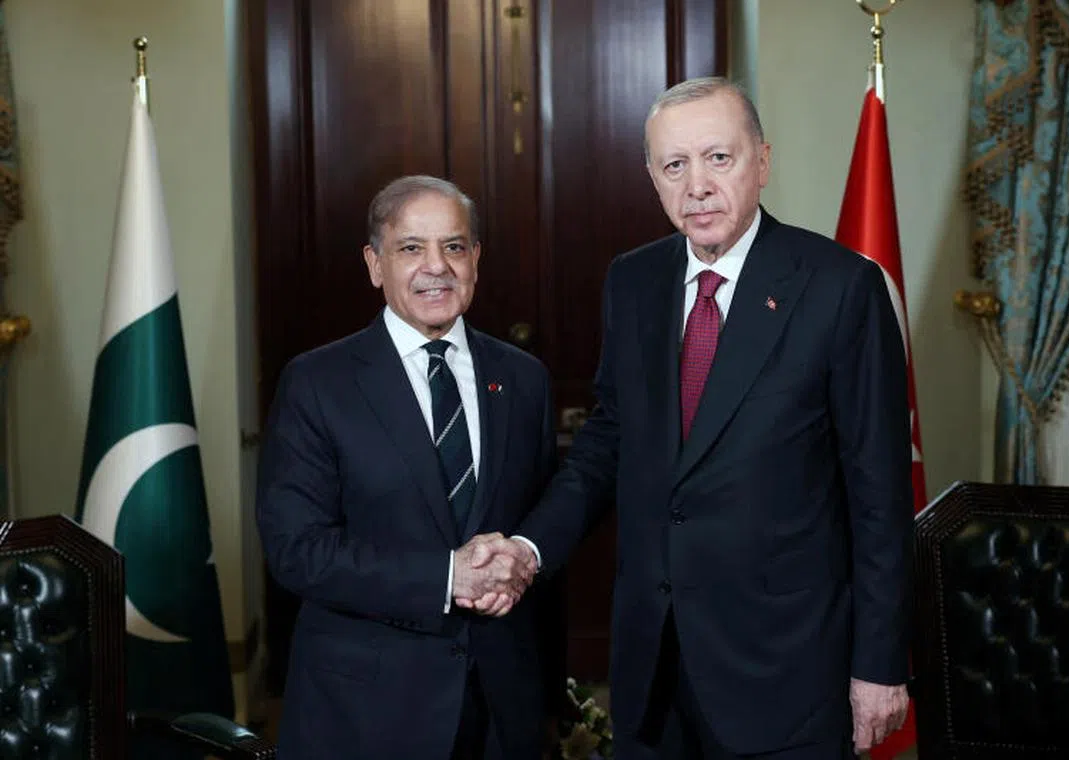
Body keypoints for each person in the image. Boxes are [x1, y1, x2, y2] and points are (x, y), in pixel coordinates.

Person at [462, 77, 913, 759]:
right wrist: (527, 550)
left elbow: (879, 494)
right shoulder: (633, 281)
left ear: (763, 162)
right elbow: (606, 444)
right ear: (653, 177)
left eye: (718, 159)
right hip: (654, 668)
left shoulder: (841, 289)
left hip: (785, 672)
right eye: (675, 165)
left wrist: (879, 664)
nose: (696, 185)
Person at [257, 175, 554, 759]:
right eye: (411, 248)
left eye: (454, 246)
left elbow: (537, 532)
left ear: (476, 259)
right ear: (375, 264)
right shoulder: (317, 384)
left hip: (502, 707)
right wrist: (447, 577)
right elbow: (297, 550)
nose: (436, 267)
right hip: (368, 712)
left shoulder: (524, 379)